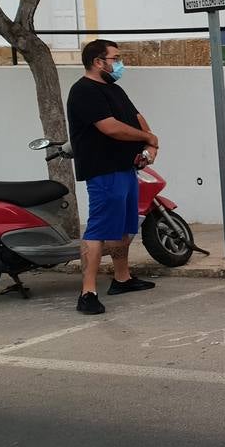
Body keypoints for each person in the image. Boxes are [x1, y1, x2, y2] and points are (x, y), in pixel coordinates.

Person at [66, 39, 159, 315]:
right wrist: (148, 138)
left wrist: (150, 144)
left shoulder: (114, 89)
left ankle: (122, 278)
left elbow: (136, 117)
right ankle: (88, 292)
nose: (119, 64)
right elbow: (111, 128)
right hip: (103, 171)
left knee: (124, 228)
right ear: (98, 62)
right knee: (98, 229)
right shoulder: (83, 91)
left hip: (125, 168)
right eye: (115, 59)